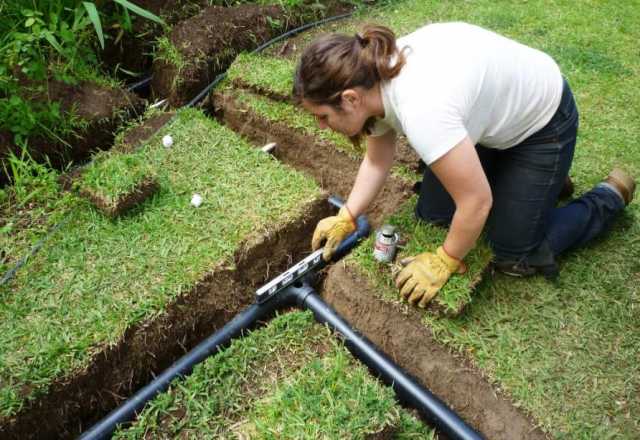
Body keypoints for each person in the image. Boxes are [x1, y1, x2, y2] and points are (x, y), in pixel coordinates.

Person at [293, 22, 635, 308]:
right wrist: (348, 215)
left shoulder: (423, 110)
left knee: (514, 253)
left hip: (543, 125)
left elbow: (476, 202)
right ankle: (539, 184)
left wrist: (446, 260)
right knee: (434, 213)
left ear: (350, 99)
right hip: (491, 123)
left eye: (322, 116)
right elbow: (377, 159)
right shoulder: (373, 74)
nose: (322, 126)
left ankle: (607, 197)